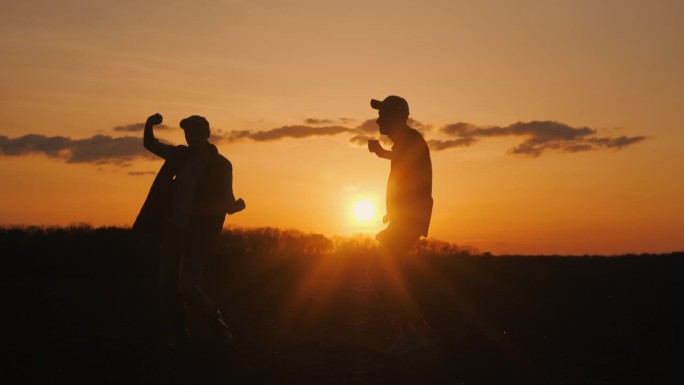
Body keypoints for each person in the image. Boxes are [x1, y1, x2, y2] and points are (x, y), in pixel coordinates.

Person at [133, 112, 246, 349]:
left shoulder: (221, 165)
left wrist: (235, 207)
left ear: (205, 134)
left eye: (194, 131)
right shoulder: (179, 156)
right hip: (171, 230)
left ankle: (220, 328)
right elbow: (150, 144)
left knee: (188, 287)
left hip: (197, 234)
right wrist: (149, 125)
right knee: (166, 285)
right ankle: (182, 334)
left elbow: (226, 198)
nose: (189, 135)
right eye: (186, 131)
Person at [366, 95, 436, 356]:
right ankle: (420, 331)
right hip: (406, 218)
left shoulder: (410, 140)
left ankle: (412, 333)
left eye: (383, 114)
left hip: (409, 220)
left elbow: (405, 165)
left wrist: (398, 218)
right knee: (387, 275)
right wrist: (392, 215)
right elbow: (404, 166)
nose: (378, 119)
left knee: (379, 273)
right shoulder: (408, 142)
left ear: (397, 117)